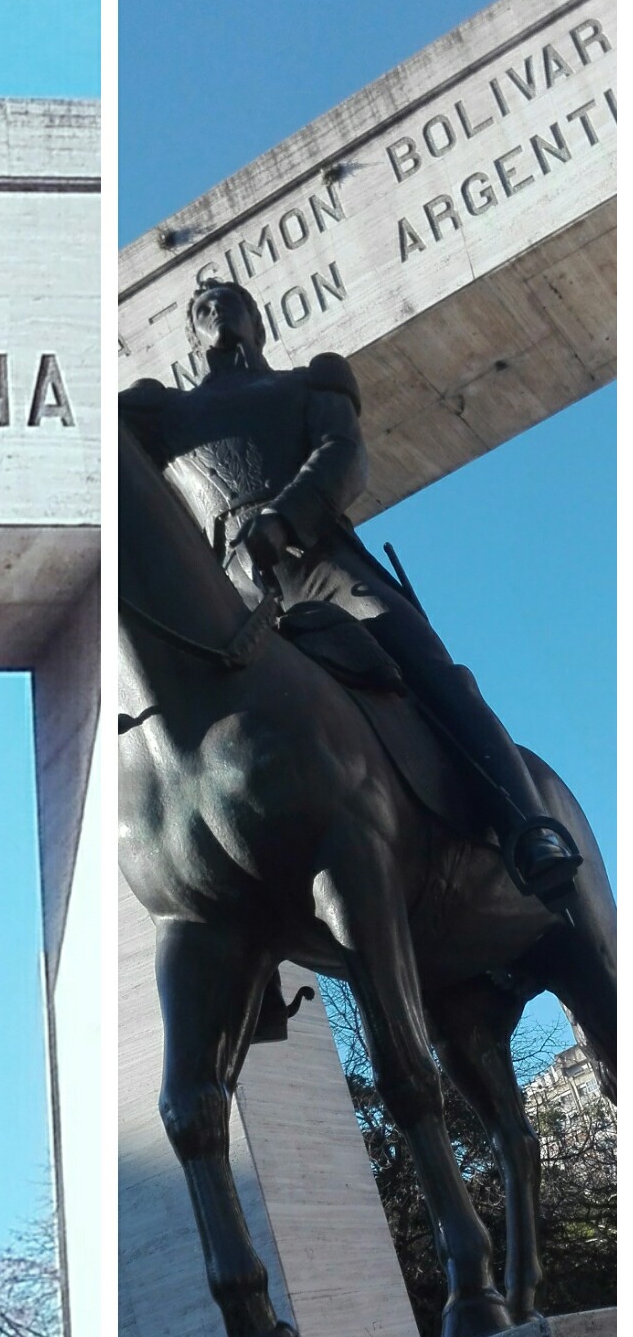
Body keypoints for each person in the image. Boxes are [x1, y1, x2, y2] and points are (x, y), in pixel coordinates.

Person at [122, 278, 581, 901]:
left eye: (230, 302)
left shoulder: (309, 384)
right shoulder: (163, 413)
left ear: (258, 323)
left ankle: (527, 825)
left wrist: (284, 518)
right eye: (202, 308)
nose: (216, 311)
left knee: (428, 665)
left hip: (319, 564)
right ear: (191, 337)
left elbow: (344, 457)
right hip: (228, 592)